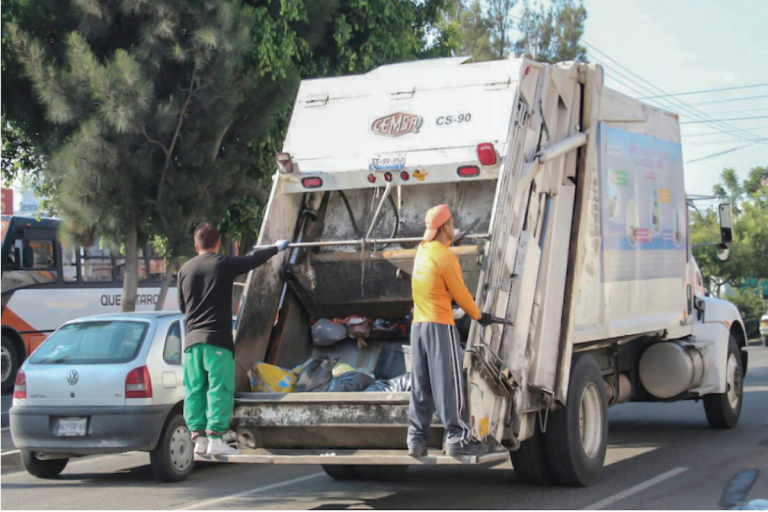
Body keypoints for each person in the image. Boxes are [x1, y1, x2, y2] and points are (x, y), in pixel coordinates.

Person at [178, 223, 289, 456]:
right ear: (217, 243)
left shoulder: (185, 269)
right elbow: (252, 260)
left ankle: (197, 439)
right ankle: (216, 438)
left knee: (195, 389)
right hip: (216, 341)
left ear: (195, 245)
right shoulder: (222, 264)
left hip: (190, 344)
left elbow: (182, 306)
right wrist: (276, 249)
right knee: (219, 388)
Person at [408, 204, 494, 457]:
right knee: (448, 382)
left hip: (418, 326)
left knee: (421, 384)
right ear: (445, 227)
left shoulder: (422, 251)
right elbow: (461, 294)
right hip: (439, 325)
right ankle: (458, 437)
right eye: (452, 223)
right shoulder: (446, 258)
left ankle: (416, 439)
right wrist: (480, 316)